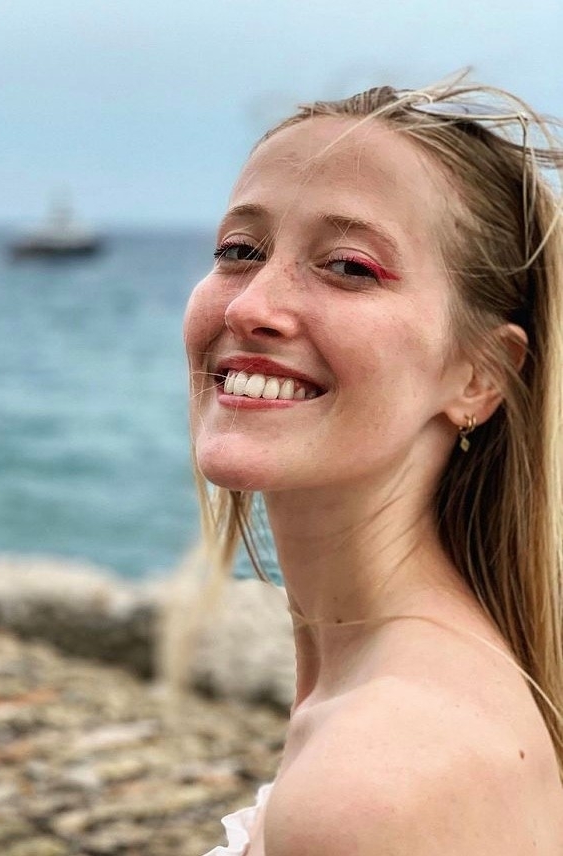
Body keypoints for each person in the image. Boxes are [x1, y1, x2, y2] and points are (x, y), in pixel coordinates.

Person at [178, 77, 563, 854]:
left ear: (480, 375)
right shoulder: (416, 699)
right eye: (239, 251)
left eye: (350, 267)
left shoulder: (371, 785)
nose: (250, 306)